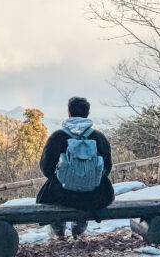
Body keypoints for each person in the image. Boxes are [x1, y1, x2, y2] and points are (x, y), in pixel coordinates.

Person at [36, 97, 114, 238]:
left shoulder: (57, 137)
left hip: (63, 194)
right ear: (87, 113)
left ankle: (58, 225)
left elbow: (46, 168)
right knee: (100, 189)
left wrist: (66, 178)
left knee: (49, 190)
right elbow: (107, 168)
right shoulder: (99, 137)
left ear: (69, 113)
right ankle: (80, 223)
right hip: (95, 194)